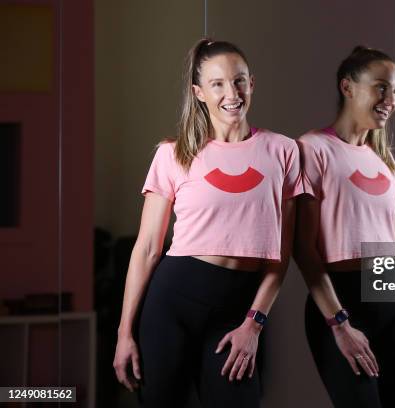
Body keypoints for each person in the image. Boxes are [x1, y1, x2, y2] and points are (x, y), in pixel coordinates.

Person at [112, 38, 302, 408]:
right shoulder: (173, 154)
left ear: (252, 83)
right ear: (199, 92)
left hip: (238, 310)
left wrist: (254, 324)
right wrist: (124, 333)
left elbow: (282, 253)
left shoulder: (283, 151)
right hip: (172, 303)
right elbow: (149, 248)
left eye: (239, 80)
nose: (231, 93)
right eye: (217, 84)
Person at [294, 46, 395, 408]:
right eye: (381, 87)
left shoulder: (384, 161)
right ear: (348, 87)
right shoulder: (311, 149)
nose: (390, 99)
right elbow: (304, 250)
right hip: (342, 301)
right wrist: (339, 324)